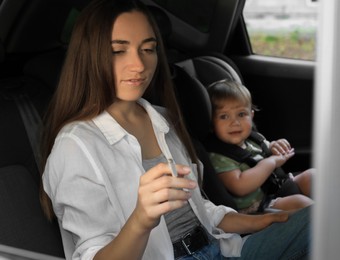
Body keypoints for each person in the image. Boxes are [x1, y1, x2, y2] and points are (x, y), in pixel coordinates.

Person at [39, 0, 311, 259]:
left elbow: (202, 210)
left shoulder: (161, 119)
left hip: (223, 248)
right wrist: (141, 220)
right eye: (118, 50)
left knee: (322, 220)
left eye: (148, 49)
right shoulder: (75, 146)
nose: (139, 65)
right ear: (90, 55)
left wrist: (259, 221)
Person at [206, 79, 314, 214]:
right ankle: (330, 227)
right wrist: (271, 162)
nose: (235, 122)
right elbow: (240, 186)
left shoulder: (252, 139)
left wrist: (275, 146)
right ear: (211, 122)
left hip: (277, 188)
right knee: (302, 204)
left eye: (241, 114)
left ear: (251, 115)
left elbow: (267, 150)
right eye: (224, 116)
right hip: (257, 208)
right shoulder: (218, 156)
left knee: (313, 176)